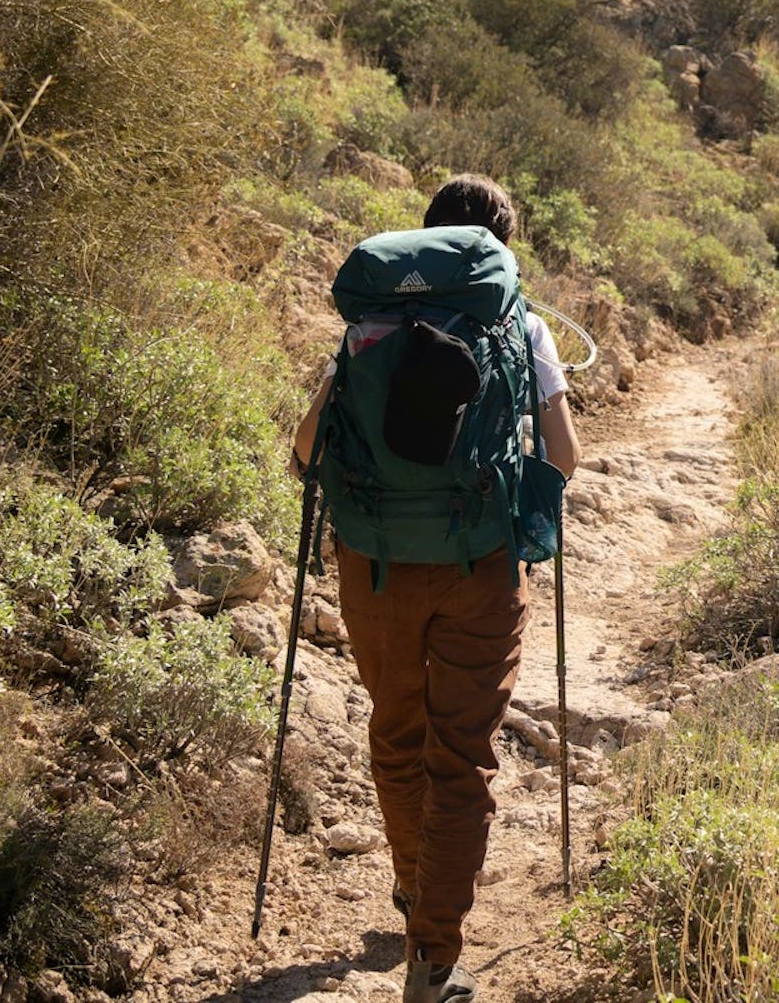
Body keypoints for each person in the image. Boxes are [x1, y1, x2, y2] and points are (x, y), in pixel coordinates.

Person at [291, 175, 580, 1003]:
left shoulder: (370, 325)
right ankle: (434, 961)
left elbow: (305, 453)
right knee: (460, 759)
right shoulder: (518, 322)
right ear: (500, 246)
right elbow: (563, 458)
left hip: (373, 567)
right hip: (476, 571)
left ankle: (417, 888)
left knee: (395, 732)